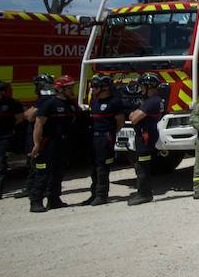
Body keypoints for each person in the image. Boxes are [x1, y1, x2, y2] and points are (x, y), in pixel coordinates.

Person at [30, 75, 78, 213]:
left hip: (63, 143)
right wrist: (36, 144)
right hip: (49, 143)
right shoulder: (49, 104)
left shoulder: (71, 104)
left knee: (58, 172)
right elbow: (38, 124)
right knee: (43, 174)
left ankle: (54, 199)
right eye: (69, 88)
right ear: (60, 89)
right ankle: (36, 202)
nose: (72, 90)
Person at [83, 75, 127, 206]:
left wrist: (110, 133)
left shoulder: (114, 102)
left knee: (102, 168)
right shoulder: (94, 102)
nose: (93, 89)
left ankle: (101, 195)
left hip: (105, 138)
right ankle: (93, 194)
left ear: (105, 88)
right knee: (93, 167)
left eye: (95, 87)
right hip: (94, 137)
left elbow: (120, 122)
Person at [126, 73, 166, 205]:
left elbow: (133, 118)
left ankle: (144, 194)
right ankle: (143, 193)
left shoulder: (151, 101)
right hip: (146, 135)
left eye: (142, 86)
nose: (141, 89)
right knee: (141, 165)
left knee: (142, 166)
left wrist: (134, 113)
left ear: (149, 86)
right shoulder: (154, 100)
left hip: (145, 136)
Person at [12, 74, 55, 199]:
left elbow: (29, 116)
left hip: (38, 136)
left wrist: (27, 111)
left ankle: (33, 189)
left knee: (35, 164)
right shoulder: (52, 98)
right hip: (45, 136)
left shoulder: (44, 99)